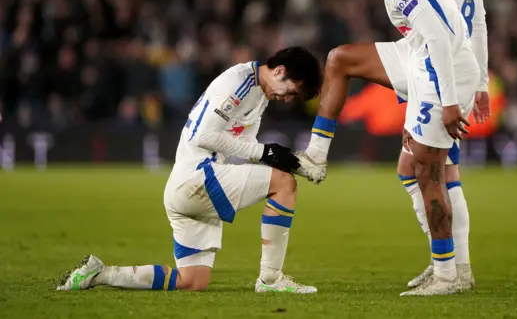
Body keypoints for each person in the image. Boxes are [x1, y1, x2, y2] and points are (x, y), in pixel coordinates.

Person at [296, 0, 480, 296]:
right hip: (417, 57)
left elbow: (440, 38)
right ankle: (316, 154)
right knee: (340, 59)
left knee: (429, 171)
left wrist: (448, 103)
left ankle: (449, 275)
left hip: (441, 70)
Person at [57, 47, 322, 294]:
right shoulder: (240, 82)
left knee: (191, 281)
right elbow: (205, 136)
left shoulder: (257, 92)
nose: (287, 99)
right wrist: (266, 153)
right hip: (199, 176)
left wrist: (293, 161)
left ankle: (100, 274)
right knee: (284, 185)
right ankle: (271, 279)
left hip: (184, 186)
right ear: (280, 71)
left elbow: (244, 147)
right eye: (291, 91)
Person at [394, 0, 490, 290]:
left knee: (421, 171)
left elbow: (429, 41)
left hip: (441, 83)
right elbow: (479, 28)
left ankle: (449, 267)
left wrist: (415, 103)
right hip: (464, 79)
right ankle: (453, 266)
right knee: (443, 172)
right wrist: (481, 83)